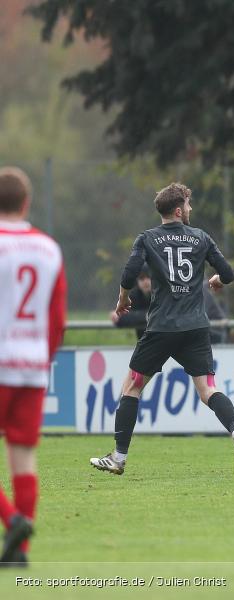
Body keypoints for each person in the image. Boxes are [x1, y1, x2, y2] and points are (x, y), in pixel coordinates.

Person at [89, 182, 234, 476]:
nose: (190, 209)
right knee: (207, 390)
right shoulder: (201, 237)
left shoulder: (148, 238)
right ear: (179, 210)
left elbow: (129, 272)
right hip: (195, 328)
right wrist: (215, 281)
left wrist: (123, 299)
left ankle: (118, 457)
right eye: (188, 205)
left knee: (132, 387)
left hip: (162, 327)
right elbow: (227, 274)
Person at [0, 166, 67, 565]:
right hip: (31, 366)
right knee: (23, 458)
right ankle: (19, 554)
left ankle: (11, 522)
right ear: (26, 203)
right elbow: (56, 317)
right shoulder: (48, 248)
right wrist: (45, 359)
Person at [110, 268, 226, 343]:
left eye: (148, 277)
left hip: (198, 342)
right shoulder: (135, 295)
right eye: (141, 278)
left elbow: (170, 316)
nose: (145, 281)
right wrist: (147, 316)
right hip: (154, 347)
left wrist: (145, 317)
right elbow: (121, 319)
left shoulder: (169, 291)